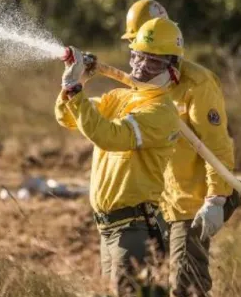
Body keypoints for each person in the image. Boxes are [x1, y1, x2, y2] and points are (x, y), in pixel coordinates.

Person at [54, 18, 183, 297]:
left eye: (153, 62)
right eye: (137, 56)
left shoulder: (161, 112)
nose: (140, 66)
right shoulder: (121, 97)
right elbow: (68, 118)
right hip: (108, 228)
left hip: (135, 229)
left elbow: (109, 136)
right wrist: (75, 83)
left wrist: (76, 88)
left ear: (172, 70)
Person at [121, 0, 235, 297]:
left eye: (150, 54)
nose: (140, 62)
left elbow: (217, 147)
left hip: (193, 202)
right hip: (161, 199)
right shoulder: (143, 83)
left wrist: (215, 200)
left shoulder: (196, 84)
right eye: (135, 49)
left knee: (186, 287)